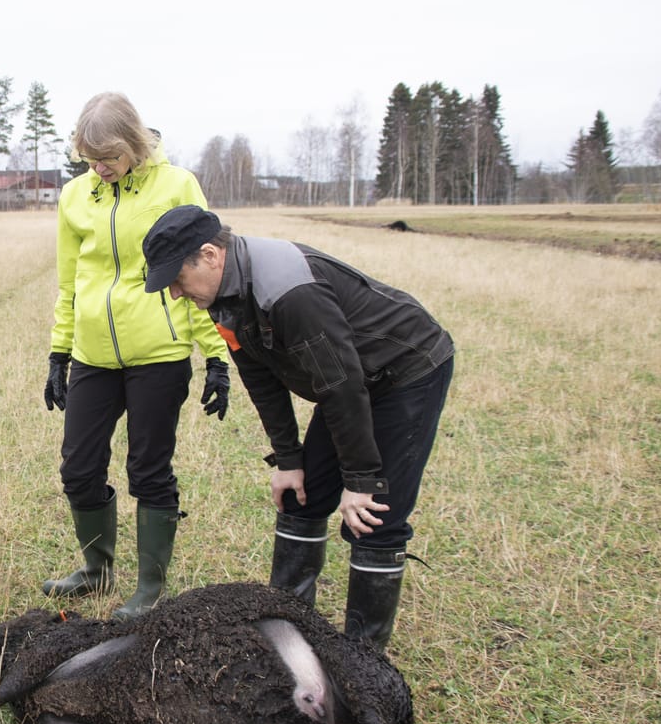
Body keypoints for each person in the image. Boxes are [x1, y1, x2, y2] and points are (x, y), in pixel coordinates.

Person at [142, 205, 454, 650]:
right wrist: (289, 460)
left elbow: (341, 385)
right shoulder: (221, 298)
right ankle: (286, 634)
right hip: (348, 381)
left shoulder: (289, 291)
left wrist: (361, 479)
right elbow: (261, 380)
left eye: (176, 279)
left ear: (210, 255)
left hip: (406, 370)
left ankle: (362, 658)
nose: (174, 293)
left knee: (373, 516)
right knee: (301, 497)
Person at [42, 92, 232, 621]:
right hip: (93, 355)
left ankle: (149, 585)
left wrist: (215, 355)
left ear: (133, 145)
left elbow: (198, 276)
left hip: (159, 353)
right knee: (79, 468)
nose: (98, 169)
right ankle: (95, 569)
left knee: (149, 469)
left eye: (107, 158)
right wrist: (60, 353)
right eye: (88, 160)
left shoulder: (177, 186)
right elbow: (69, 282)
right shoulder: (76, 196)